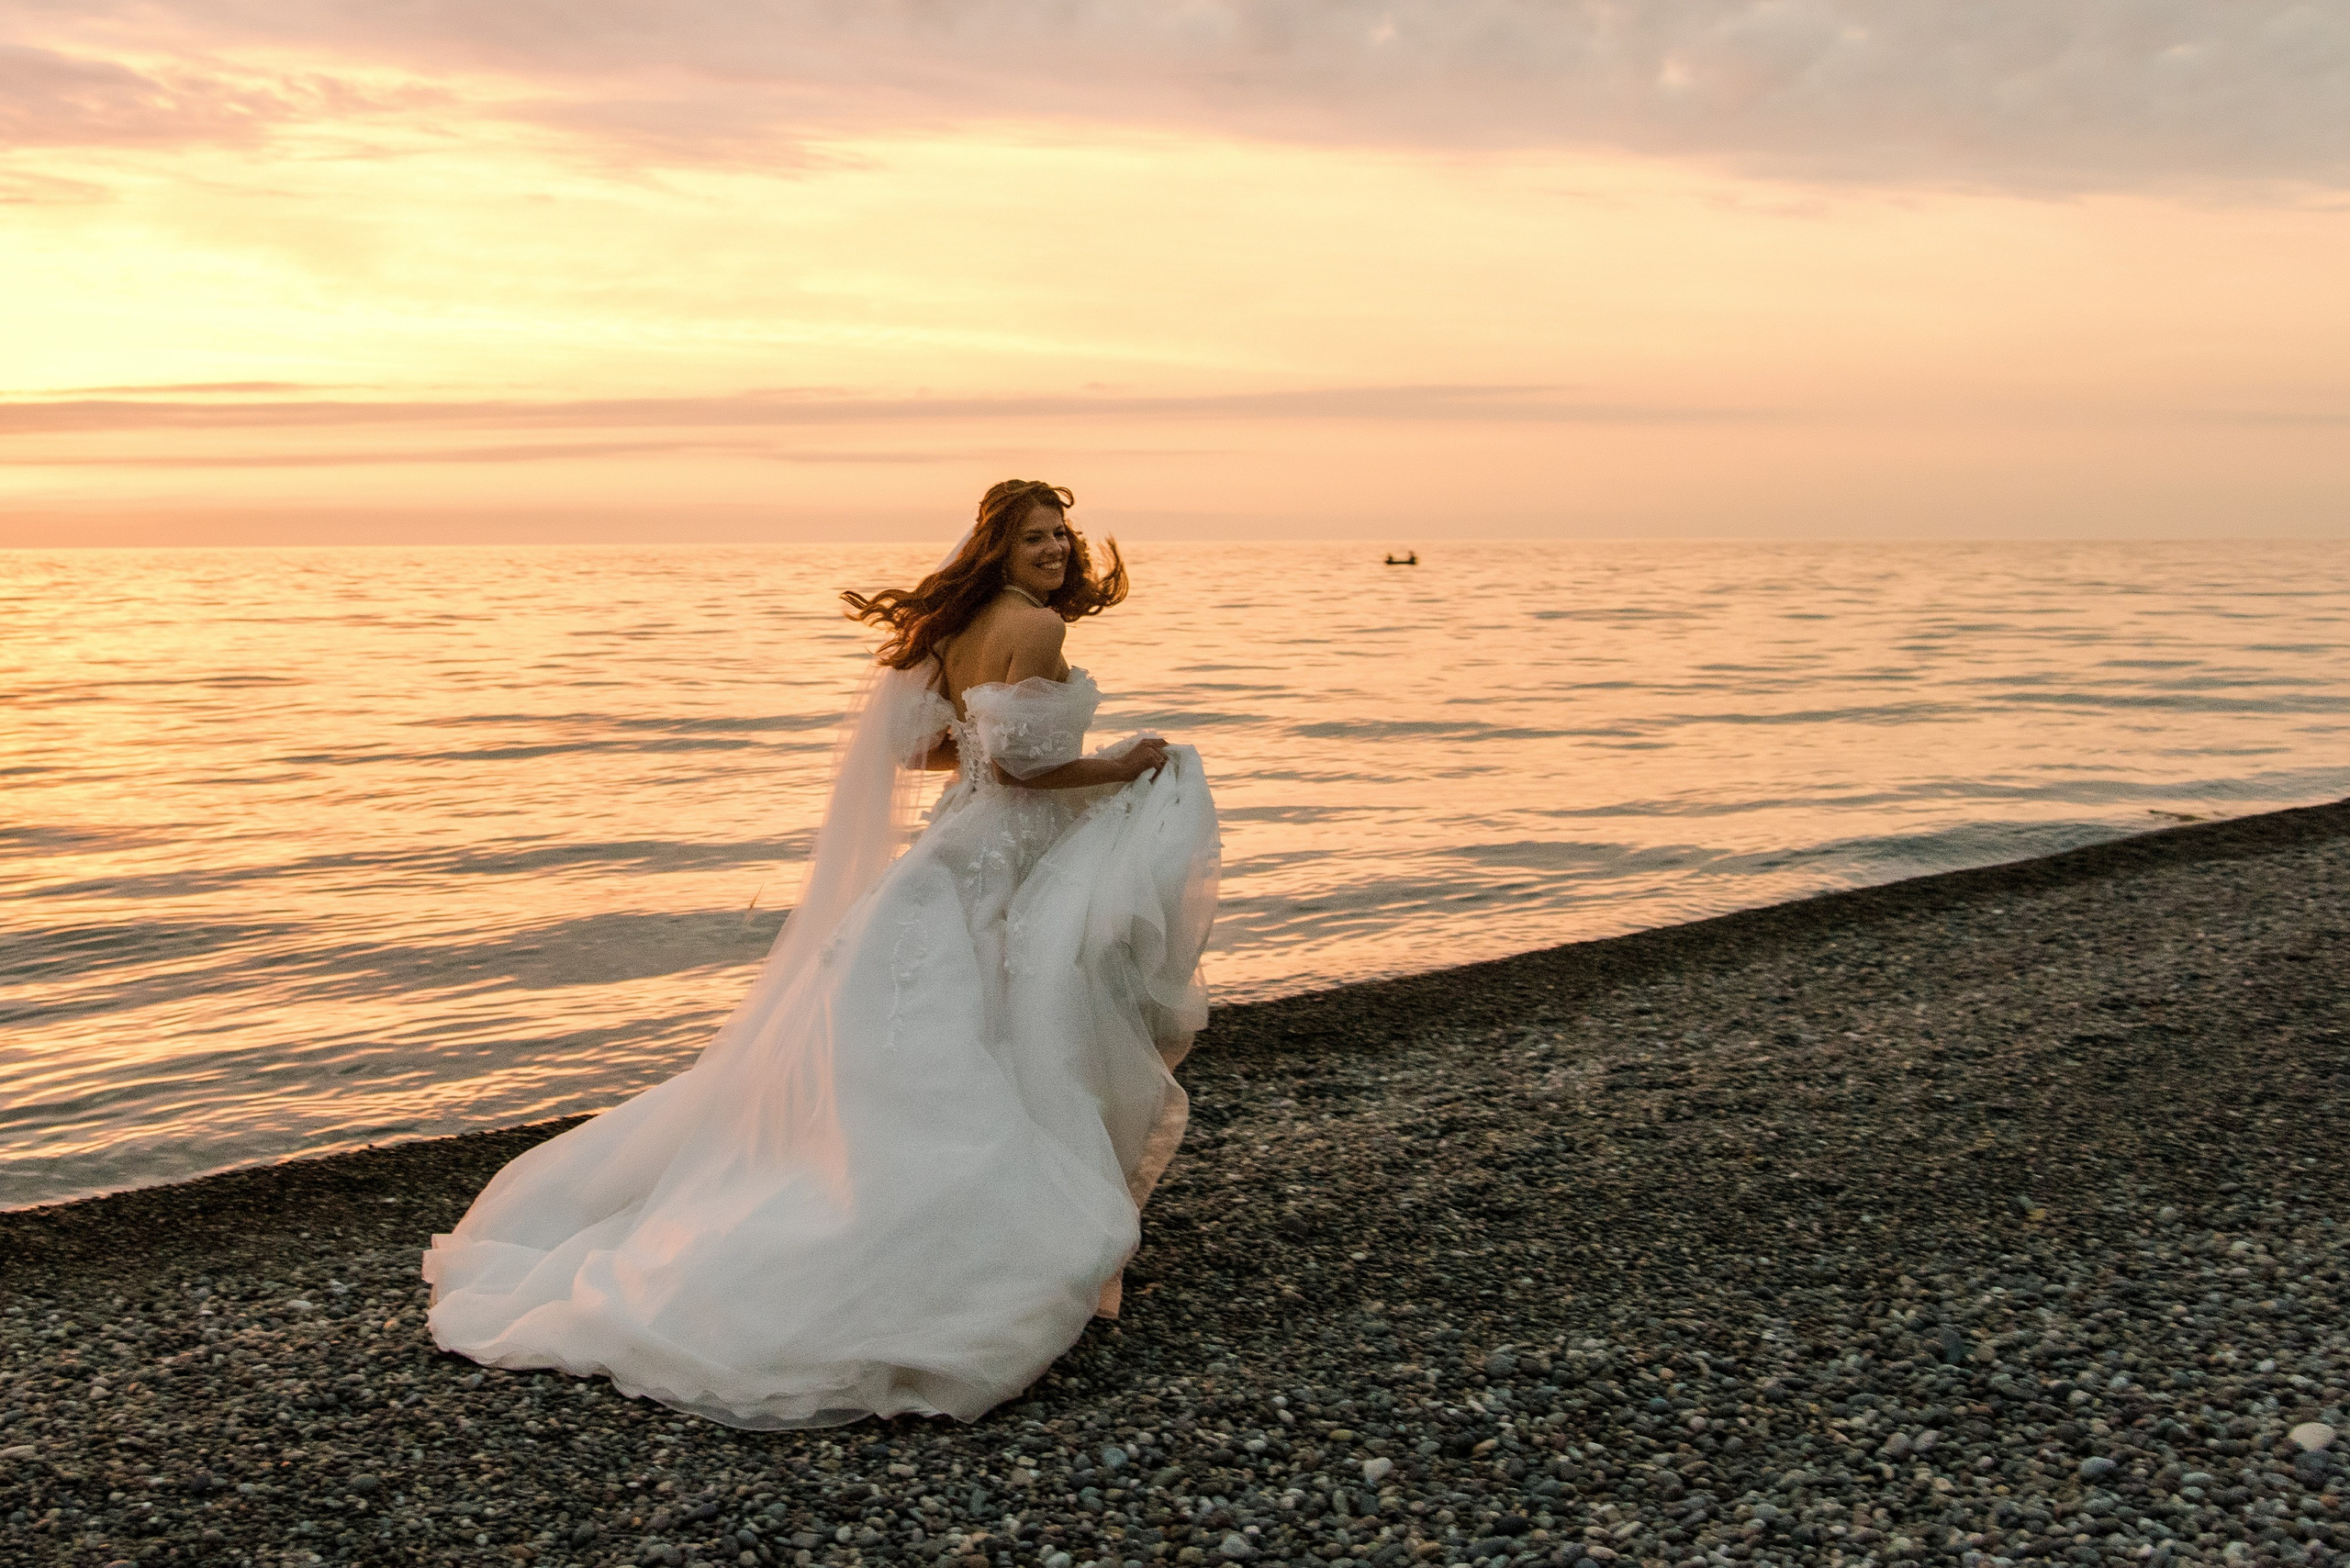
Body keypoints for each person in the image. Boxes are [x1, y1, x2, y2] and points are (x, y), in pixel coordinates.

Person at [422, 479, 1221, 1429]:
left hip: (952, 851)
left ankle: (885, 1214)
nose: (1054, 548)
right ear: (998, 548)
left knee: (936, 1042)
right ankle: (954, 1246)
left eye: (1060, 533)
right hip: (999, 861)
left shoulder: (960, 628)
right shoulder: (1036, 630)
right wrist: (1124, 765)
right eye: (1034, 536)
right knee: (1008, 1030)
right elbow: (1019, 767)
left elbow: (933, 752)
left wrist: (995, 759)